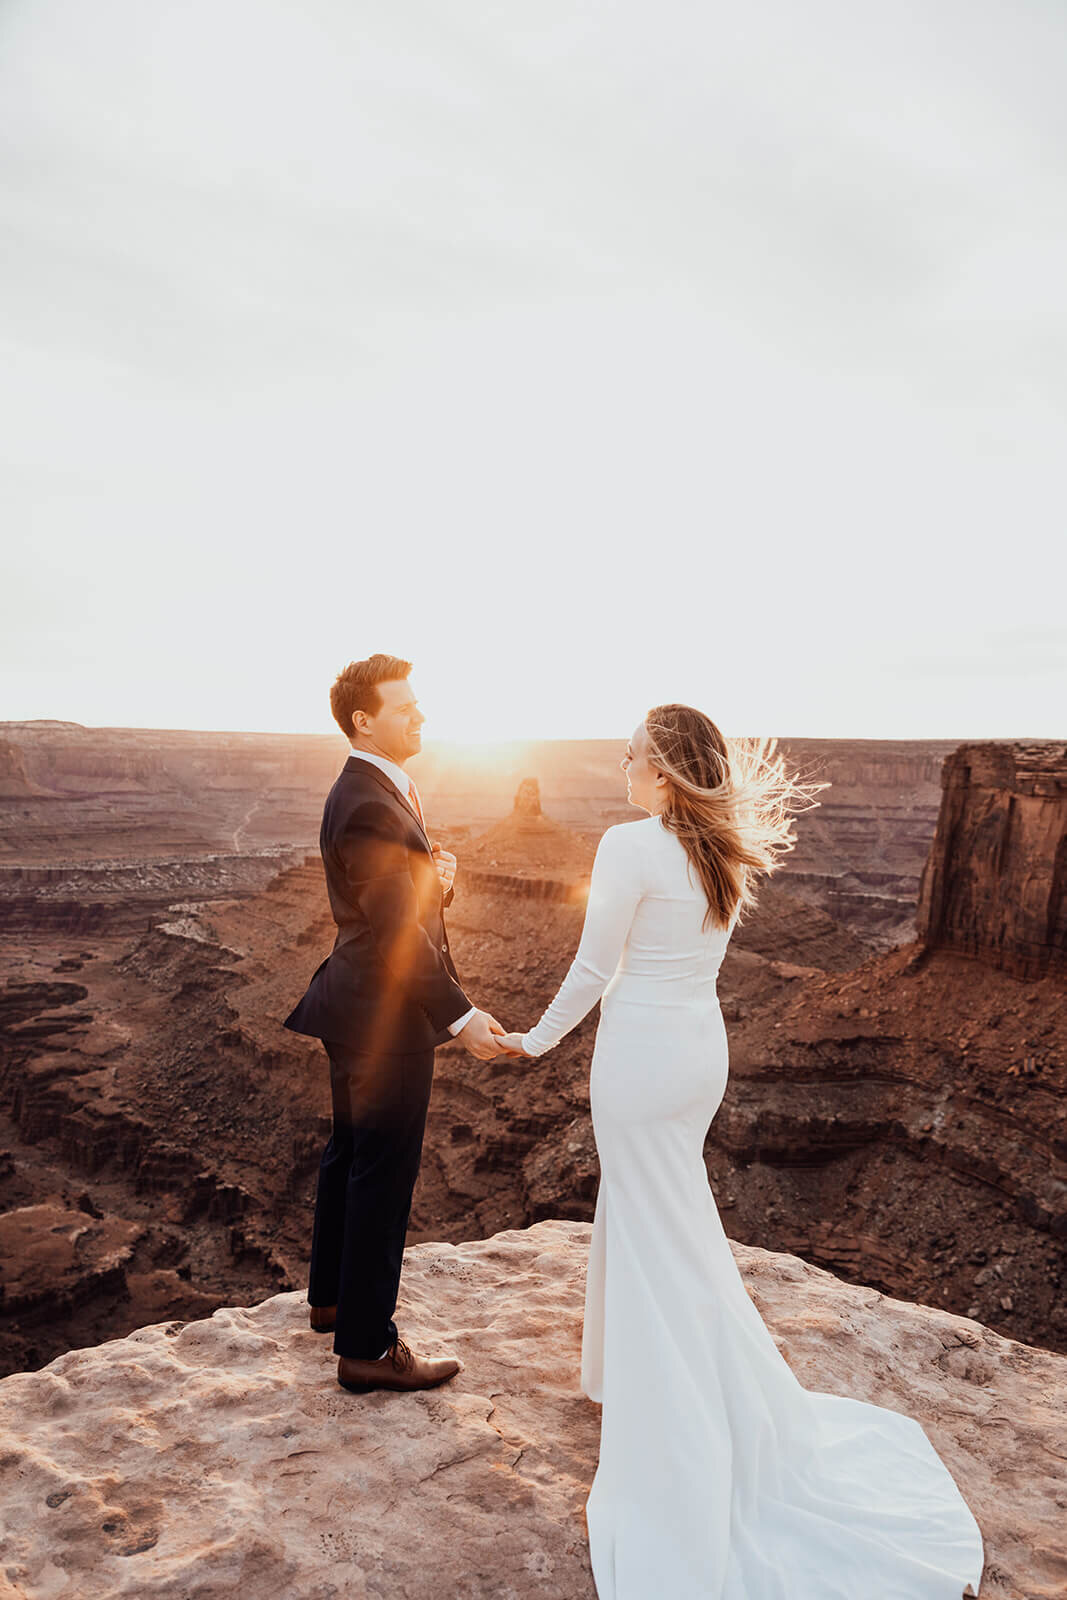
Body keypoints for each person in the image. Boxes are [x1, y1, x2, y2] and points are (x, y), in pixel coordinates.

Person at [495, 705, 984, 1600]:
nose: (622, 766)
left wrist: (528, 1042)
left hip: (640, 1056)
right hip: (696, 1053)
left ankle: (670, 1411)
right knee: (660, 1210)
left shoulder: (630, 843)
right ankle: (613, 1372)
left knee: (653, 1223)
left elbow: (594, 970)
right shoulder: (714, 852)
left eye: (634, 755)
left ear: (667, 772)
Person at [283, 653, 510, 1395]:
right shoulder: (373, 801)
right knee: (383, 1174)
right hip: (384, 1018)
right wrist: (462, 1017)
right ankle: (368, 1349)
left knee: (350, 1155)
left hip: (352, 1007)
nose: (419, 715)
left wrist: (432, 886)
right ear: (362, 720)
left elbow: (393, 910)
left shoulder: (369, 789)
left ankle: (332, 1300)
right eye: (403, 706)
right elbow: (395, 936)